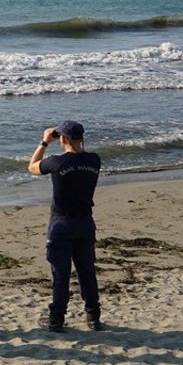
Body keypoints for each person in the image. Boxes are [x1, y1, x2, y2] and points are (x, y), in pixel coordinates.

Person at [28, 120, 103, 332]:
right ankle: (93, 316)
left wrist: (43, 142)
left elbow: (32, 167)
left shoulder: (56, 162)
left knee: (61, 274)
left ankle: (57, 318)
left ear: (62, 139)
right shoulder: (94, 161)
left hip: (62, 223)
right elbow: (82, 156)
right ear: (81, 138)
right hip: (85, 222)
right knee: (86, 271)